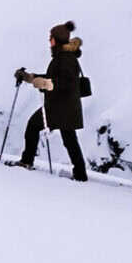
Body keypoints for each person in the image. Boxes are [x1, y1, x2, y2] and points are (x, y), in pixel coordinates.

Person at [14, 21, 89, 180]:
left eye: (51, 37)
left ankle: (27, 161)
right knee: (70, 139)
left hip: (60, 107)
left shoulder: (65, 58)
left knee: (33, 126)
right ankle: (80, 174)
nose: (49, 40)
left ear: (56, 40)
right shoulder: (64, 56)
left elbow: (66, 82)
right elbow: (55, 78)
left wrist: (46, 84)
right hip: (66, 106)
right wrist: (30, 77)